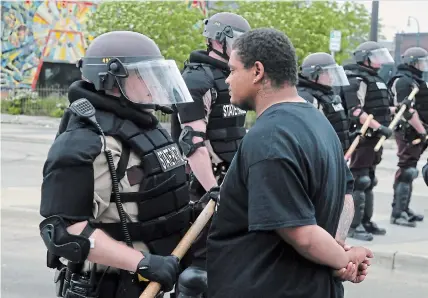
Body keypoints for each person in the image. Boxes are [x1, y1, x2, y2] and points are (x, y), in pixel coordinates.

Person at [206, 28, 373, 298]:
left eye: (233, 70)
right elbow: (346, 196)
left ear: (257, 71)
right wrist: (337, 247)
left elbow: (301, 233)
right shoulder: (319, 123)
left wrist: (345, 260)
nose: (227, 80)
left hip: (270, 287)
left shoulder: (269, 138)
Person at [38, 31, 196, 298]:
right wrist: (141, 262)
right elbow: (64, 231)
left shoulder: (143, 126)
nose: (151, 83)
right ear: (111, 79)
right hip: (107, 286)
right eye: (142, 75)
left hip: (151, 280)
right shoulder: (84, 143)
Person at [171, 12, 251, 297]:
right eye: (239, 42)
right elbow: (192, 142)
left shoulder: (232, 77)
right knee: (198, 273)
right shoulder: (197, 78)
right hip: (203, 189)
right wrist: (213, 190)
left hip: (230, 183)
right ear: (219, 40)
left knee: (228, 266)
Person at [340, 41, 395, 241]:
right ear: (365, 58)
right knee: (359, 181)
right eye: (377, 55)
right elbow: (356, 111)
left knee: (369, 180)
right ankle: (353, 226)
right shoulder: (356, 78)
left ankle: (366, 221)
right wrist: (378, 127)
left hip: (375, 139)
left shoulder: (374, 78)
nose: (381, 60)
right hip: (363, 137)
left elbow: (378, 107)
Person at [387, 46, 428, 227]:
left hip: (418, 130)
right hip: (408, 131)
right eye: (421, 61)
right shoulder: (403, 81)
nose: (424, 64)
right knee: (406, 170)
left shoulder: (416, 80)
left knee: (410, 169)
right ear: (413, 62)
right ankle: (397, 213)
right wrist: (421, 130)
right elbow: (405, 110)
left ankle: (405, 209)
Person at [297, 52, 352, 153]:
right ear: (314, 74)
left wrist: (348, 138)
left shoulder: (325, 94)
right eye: (328, 73)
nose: (331, 77)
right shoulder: (307, 98)